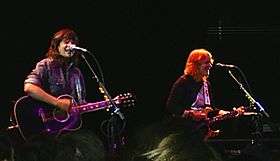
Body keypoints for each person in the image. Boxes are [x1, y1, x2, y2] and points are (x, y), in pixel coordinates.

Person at [16, 28, 105, 161]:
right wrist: (58, 103)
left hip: (68, 131)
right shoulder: (45, 65)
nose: (71, 45)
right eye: (66, 42)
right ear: (56, 45)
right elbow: (29, 88)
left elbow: (79, 105)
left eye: (73, 42)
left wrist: (104, 104)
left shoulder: (77, 73)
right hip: (46, 131)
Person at [142, 48, 244, 161]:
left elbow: (211, 109)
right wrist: (190, 114)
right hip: (182, 130)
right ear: (195, 64)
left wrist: (230, 113)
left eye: (210, 63)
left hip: (201, 130)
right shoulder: (183, 81)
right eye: (206, 62)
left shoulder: (206, 84)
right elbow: (171, 105)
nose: (210, 65)